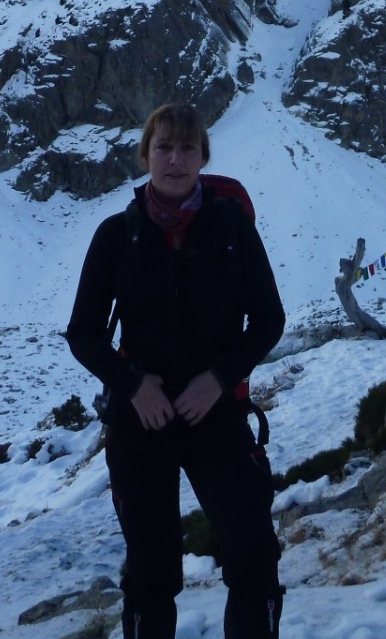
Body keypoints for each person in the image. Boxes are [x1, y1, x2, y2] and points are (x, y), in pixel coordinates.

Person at [66, 103, 286, 639]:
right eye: (163, 147)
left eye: (188, 148)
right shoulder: (116, 235)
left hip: (217, 416)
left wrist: (218, 379)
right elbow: (83, 333)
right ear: (145, 155)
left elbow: (269, 319)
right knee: (151, 572)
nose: (175, 159)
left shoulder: (231, 228)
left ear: (203, 157)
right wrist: (132, 387)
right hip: (141, 423)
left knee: (254, 554)